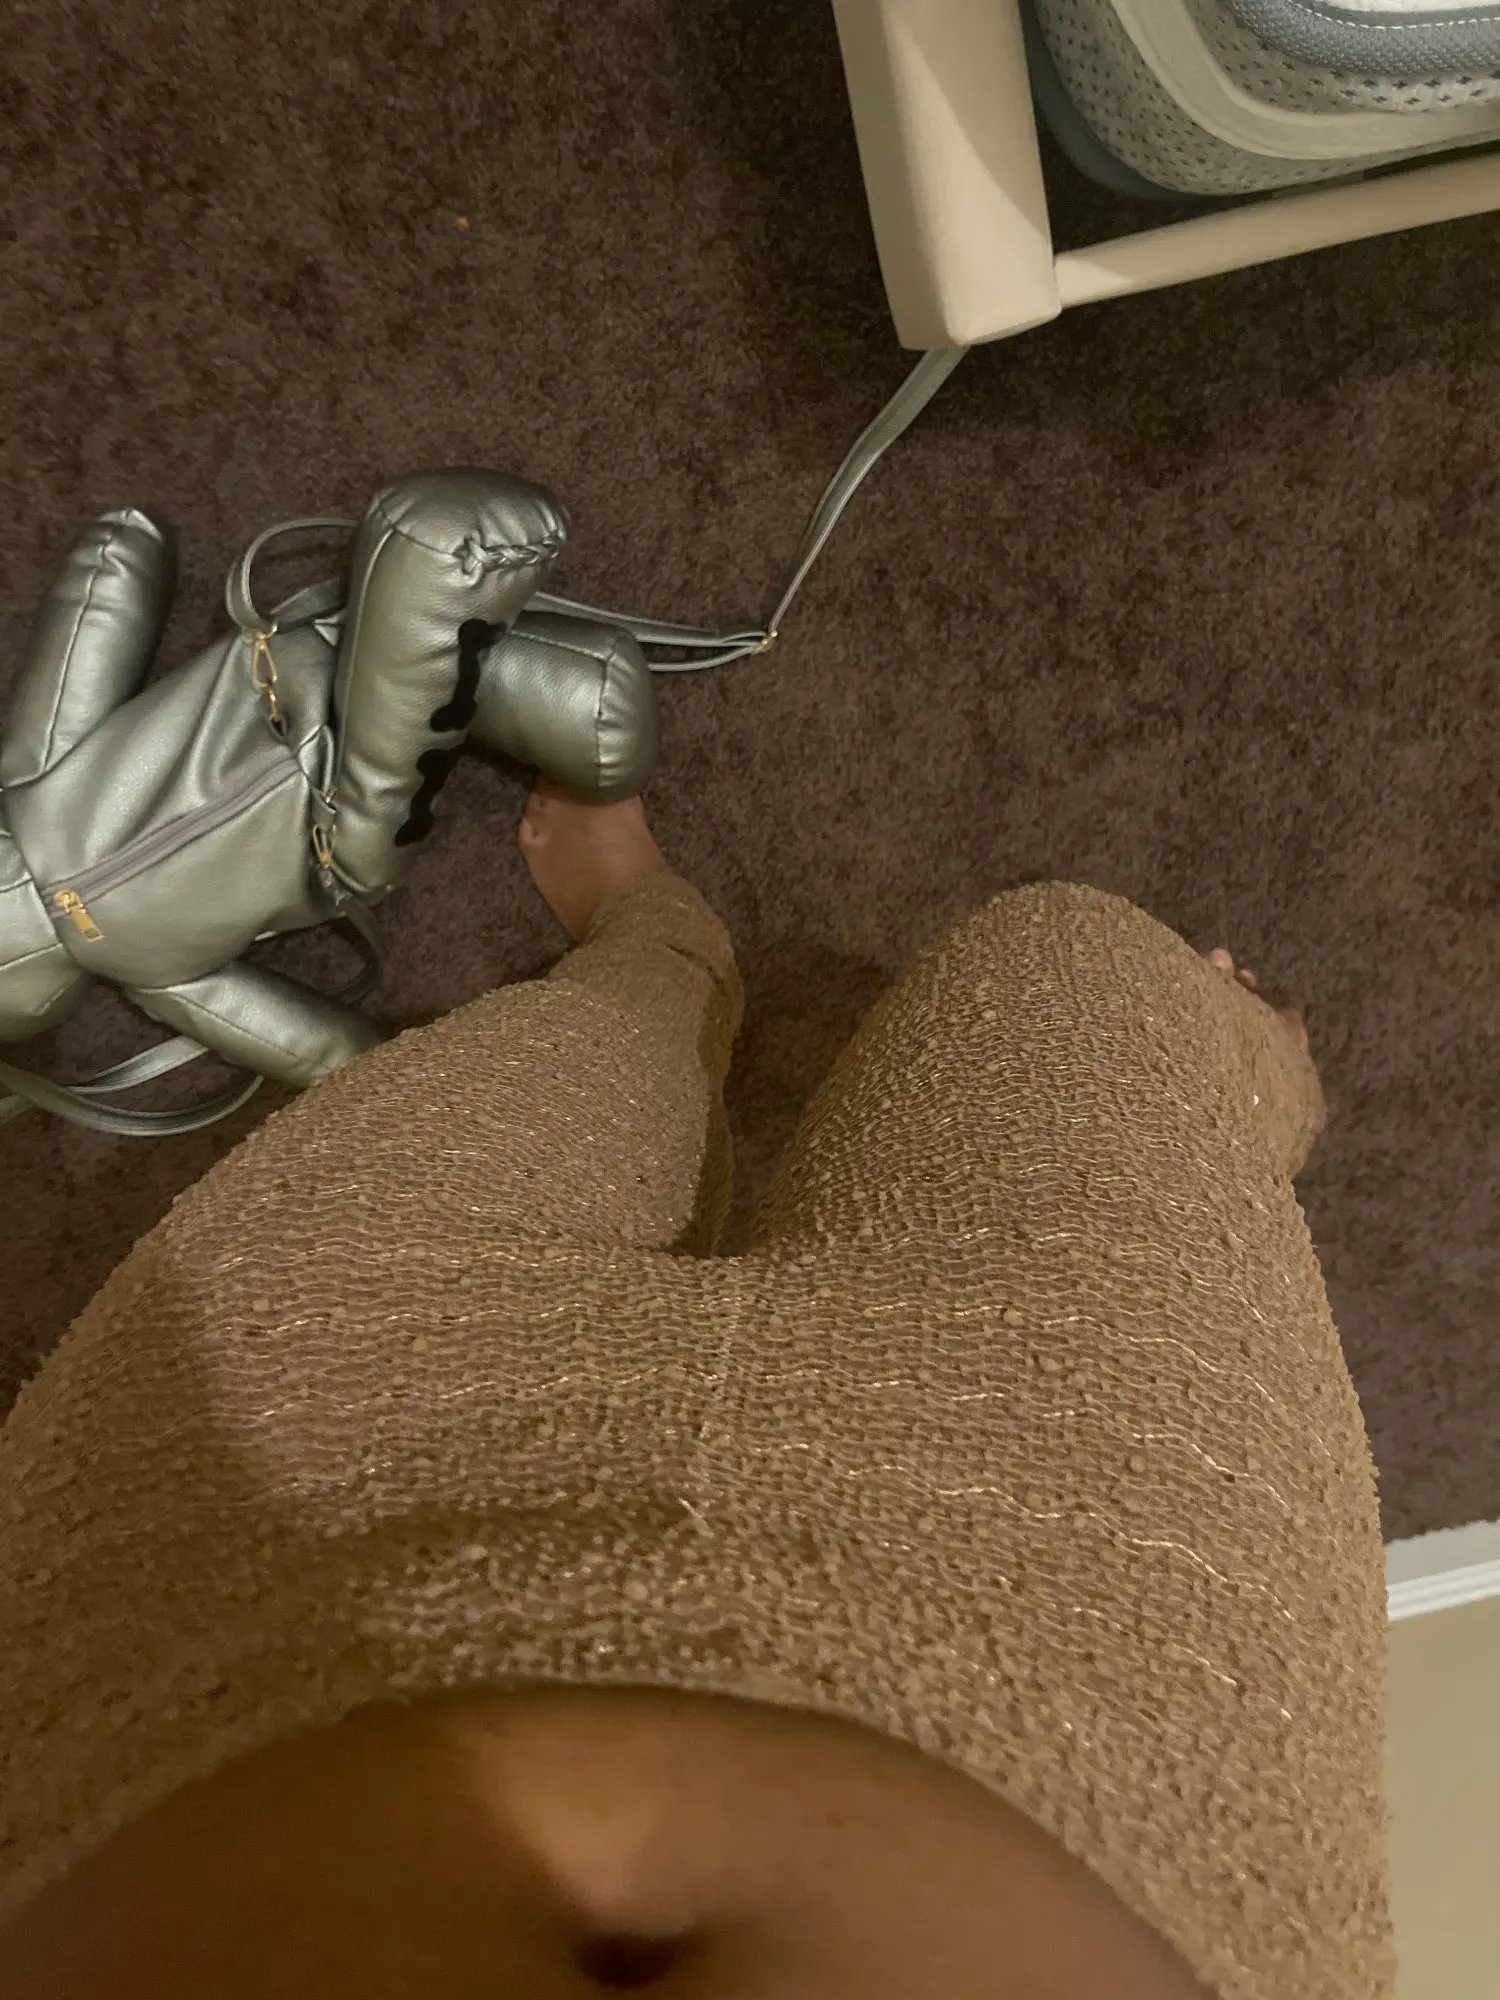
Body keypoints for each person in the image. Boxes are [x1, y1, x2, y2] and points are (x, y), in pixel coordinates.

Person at [0, 783, 1393, 2000]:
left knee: (583, 1040)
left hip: (239, 1585)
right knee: (1073, 961)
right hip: (1092, 1677)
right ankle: (1238, 1077)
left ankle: (658, 949)